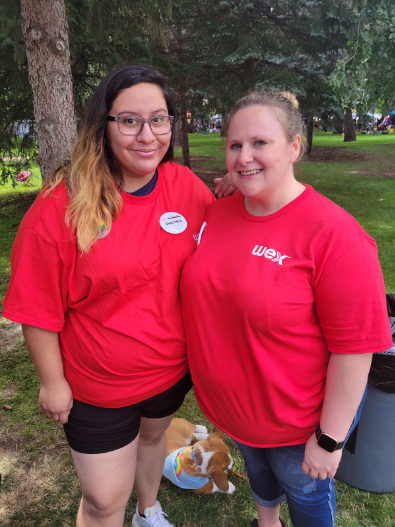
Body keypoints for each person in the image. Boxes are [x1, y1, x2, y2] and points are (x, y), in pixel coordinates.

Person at [2, 64, 234, 527]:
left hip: (170, 372)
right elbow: (36, 306)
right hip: (98, 387)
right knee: (105, 499)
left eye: (159, 118)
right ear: (103, 125)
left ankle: (148, 510)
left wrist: (235, 194)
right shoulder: (63, 204)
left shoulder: (185, 187)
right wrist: (52, 382)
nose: (147, 135)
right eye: (129, 120)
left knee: (152, 444)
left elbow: (227, 245)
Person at [180, 91, 392, 527]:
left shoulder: (335, 236)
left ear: (295, 147)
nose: (244, 156)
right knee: (259, 474)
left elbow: (355, 349)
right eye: (235, 145)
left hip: (298, 427)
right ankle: (266, 522)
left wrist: (329, 439)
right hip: (237, 412)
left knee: (307, 497)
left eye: (261, 143)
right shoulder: (217, 214)